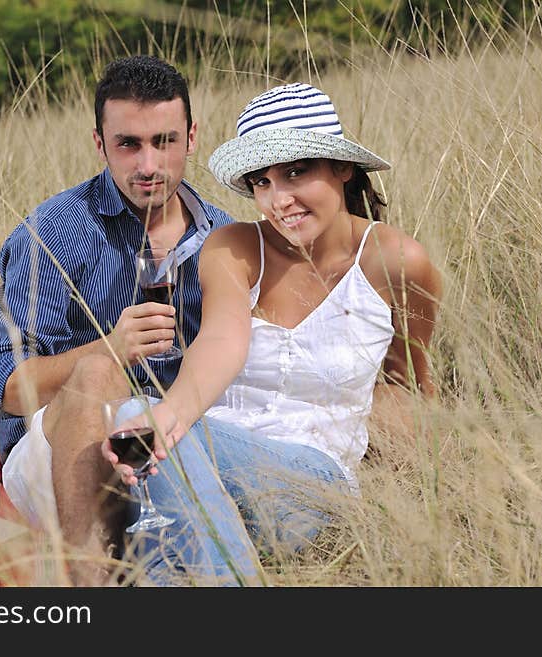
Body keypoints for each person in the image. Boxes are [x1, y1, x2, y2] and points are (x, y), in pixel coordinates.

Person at [104, 82, 442, 583]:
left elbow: (407, 382)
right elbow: (222, 340)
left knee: (142, 426)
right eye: (262, 182)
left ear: (342, 168)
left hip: (309, 485)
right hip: (207, 463)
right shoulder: (233, 247)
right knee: (156, 550)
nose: (278, 200)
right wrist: (169, 413)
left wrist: (407, 495)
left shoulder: (397, 262)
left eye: (295, 172)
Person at [0, 55, 245, 584]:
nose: (149, 165)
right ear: (100, 144)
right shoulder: (54, 231)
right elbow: (3, 390)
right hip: (56, 459)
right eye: (129, 144)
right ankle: (86, 579)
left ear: (191, 137)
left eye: (165, 141)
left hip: (171, 448)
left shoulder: (226, 237)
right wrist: (107, 349)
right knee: (100, 376)